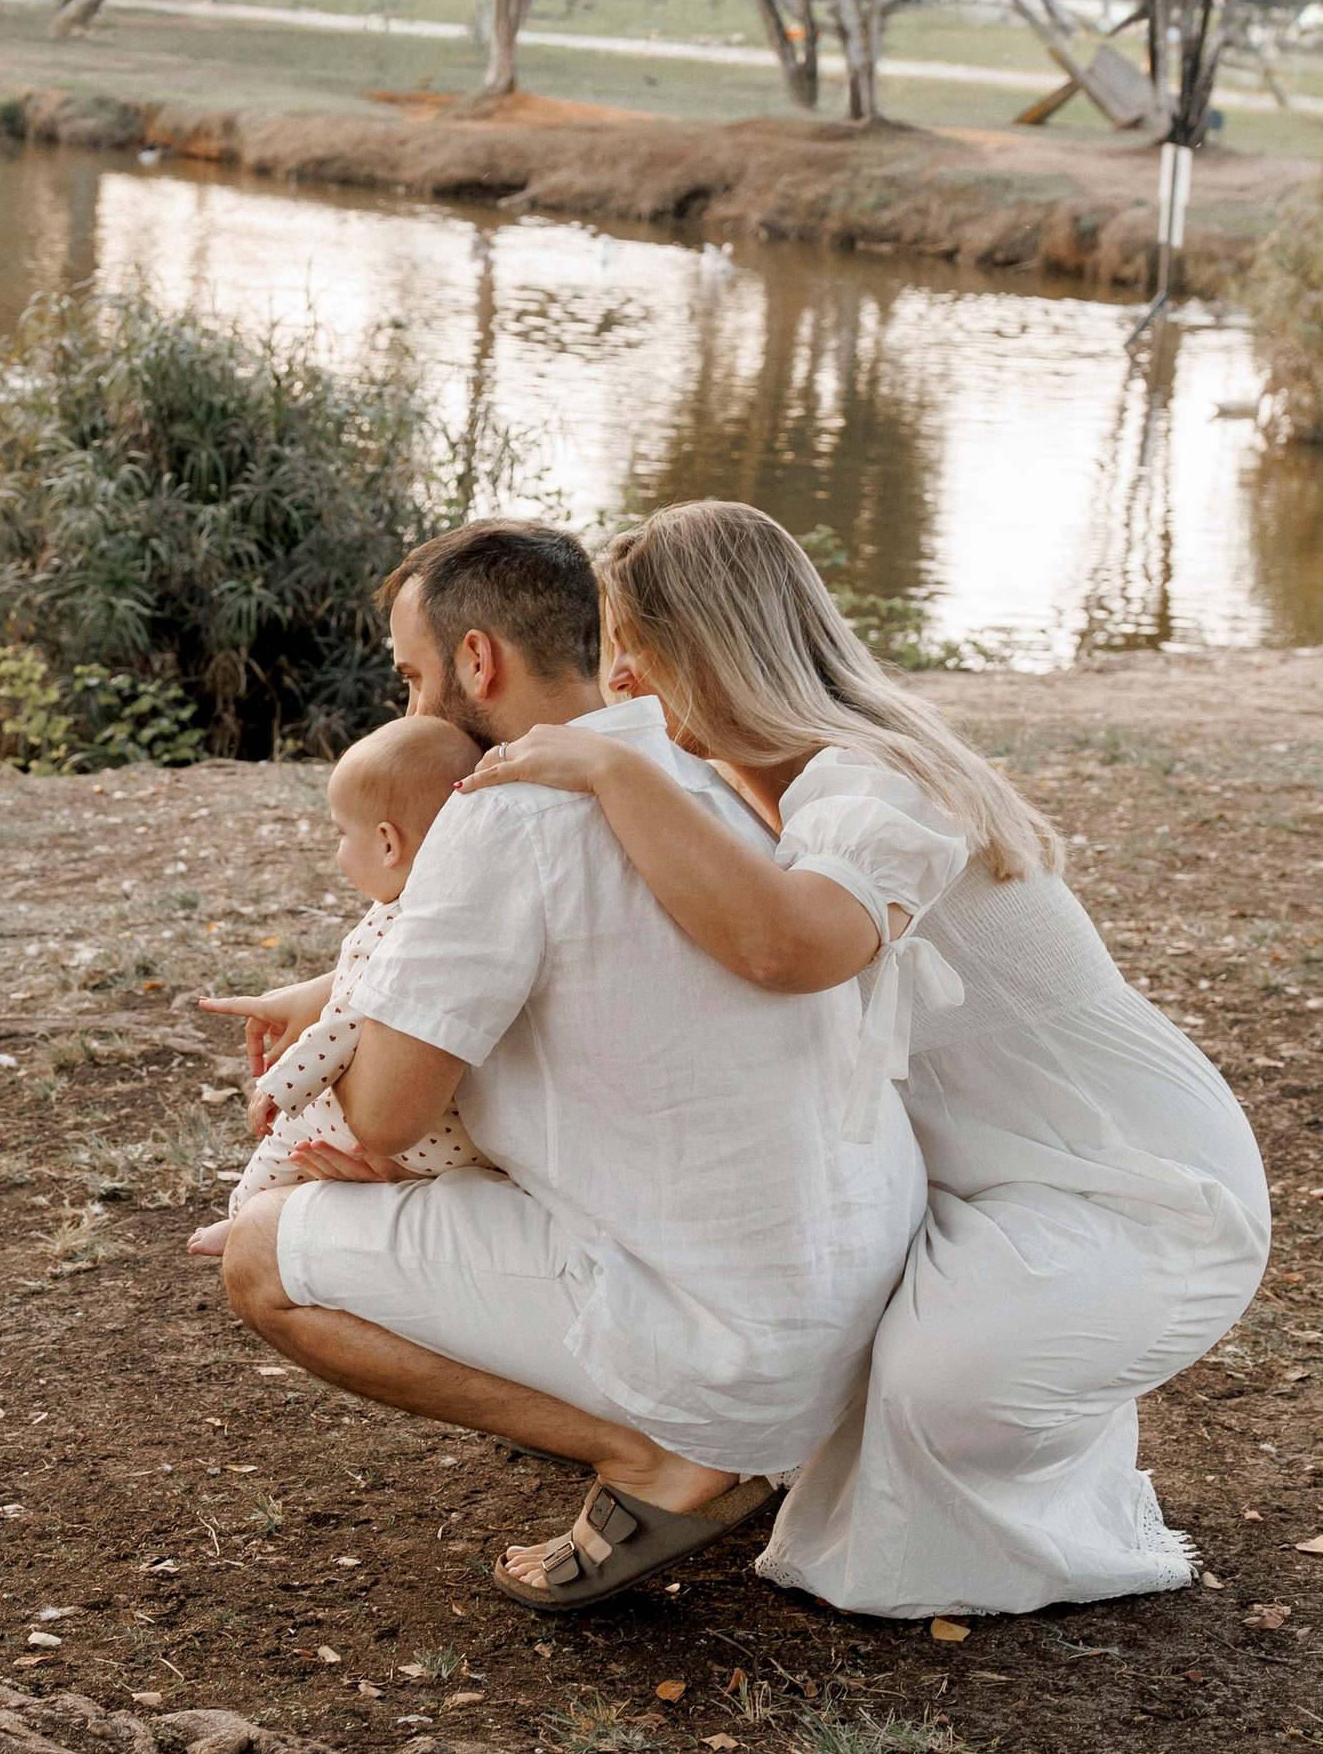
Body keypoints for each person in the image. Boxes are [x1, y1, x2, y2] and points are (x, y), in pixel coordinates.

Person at [463, 500, 1269, 1616]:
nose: (623, 683)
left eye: (632, 650)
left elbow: (789, 947)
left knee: (942, 1392)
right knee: (829, 1341)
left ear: (710, 647)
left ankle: (1040, 1439)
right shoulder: (756, 778)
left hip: (1133, 1184)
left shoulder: (877, 776)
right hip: (972, 1185)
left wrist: (615, 774)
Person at [207, 518, 926, 1611]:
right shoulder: (711, 772)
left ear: (478, 660)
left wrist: (345, 1061)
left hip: (740, 1353)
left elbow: (388, 1114)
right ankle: (681, 1424)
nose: (407, 713)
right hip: (855, 1322)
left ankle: (655, 1459)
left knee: (260, 1255)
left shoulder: (494, 813)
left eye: (411, 678)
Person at [185, 713, 487, 1260]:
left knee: (288, 1139)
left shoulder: (404, 928)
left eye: (341, 834)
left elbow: (346, 1023)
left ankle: (241, 1218)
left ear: (388, 844)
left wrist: (281, 1086)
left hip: (413, 1129)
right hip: (459, 1142)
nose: (337, 851)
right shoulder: (452, 900)